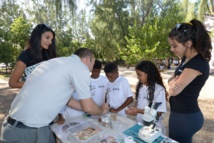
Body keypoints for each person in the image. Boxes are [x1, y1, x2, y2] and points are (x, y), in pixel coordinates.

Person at [0, 48, 109, 143]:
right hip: (28, 132)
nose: (91, 70)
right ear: (88, 59)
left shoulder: (56, 62)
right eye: (93, 64)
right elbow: (88, 107)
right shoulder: (80, 67)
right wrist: (101, 111)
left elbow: (69, 100)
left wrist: (89, 108)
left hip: (16, 127)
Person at [168, 19, 212, 143]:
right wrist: (171, 82)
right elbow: (171, 79)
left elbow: (173, 91)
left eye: (174, 45)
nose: (172, 49)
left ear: (188, 43)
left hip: (186, 117)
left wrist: (171, 84)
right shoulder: (186, 59)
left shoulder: (197, 63)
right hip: (179, 114)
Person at [8, 23, 57, 88]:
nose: (50, 42)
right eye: (47, 37)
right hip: (33, 96)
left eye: (51, 39)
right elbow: (12, 83)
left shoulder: (49, 55)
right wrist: (36, 85)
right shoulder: (25, 55)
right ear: (37, 36)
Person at [125, 60, 167, 134]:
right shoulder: (141, 87)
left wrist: (138, 110)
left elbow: (158, 113)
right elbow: (138, 104)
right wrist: (134, 111)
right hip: (140, 125)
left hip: (153, 129)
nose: (138, 77)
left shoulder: (159, 90)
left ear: (148, 74)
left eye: (139, 75)